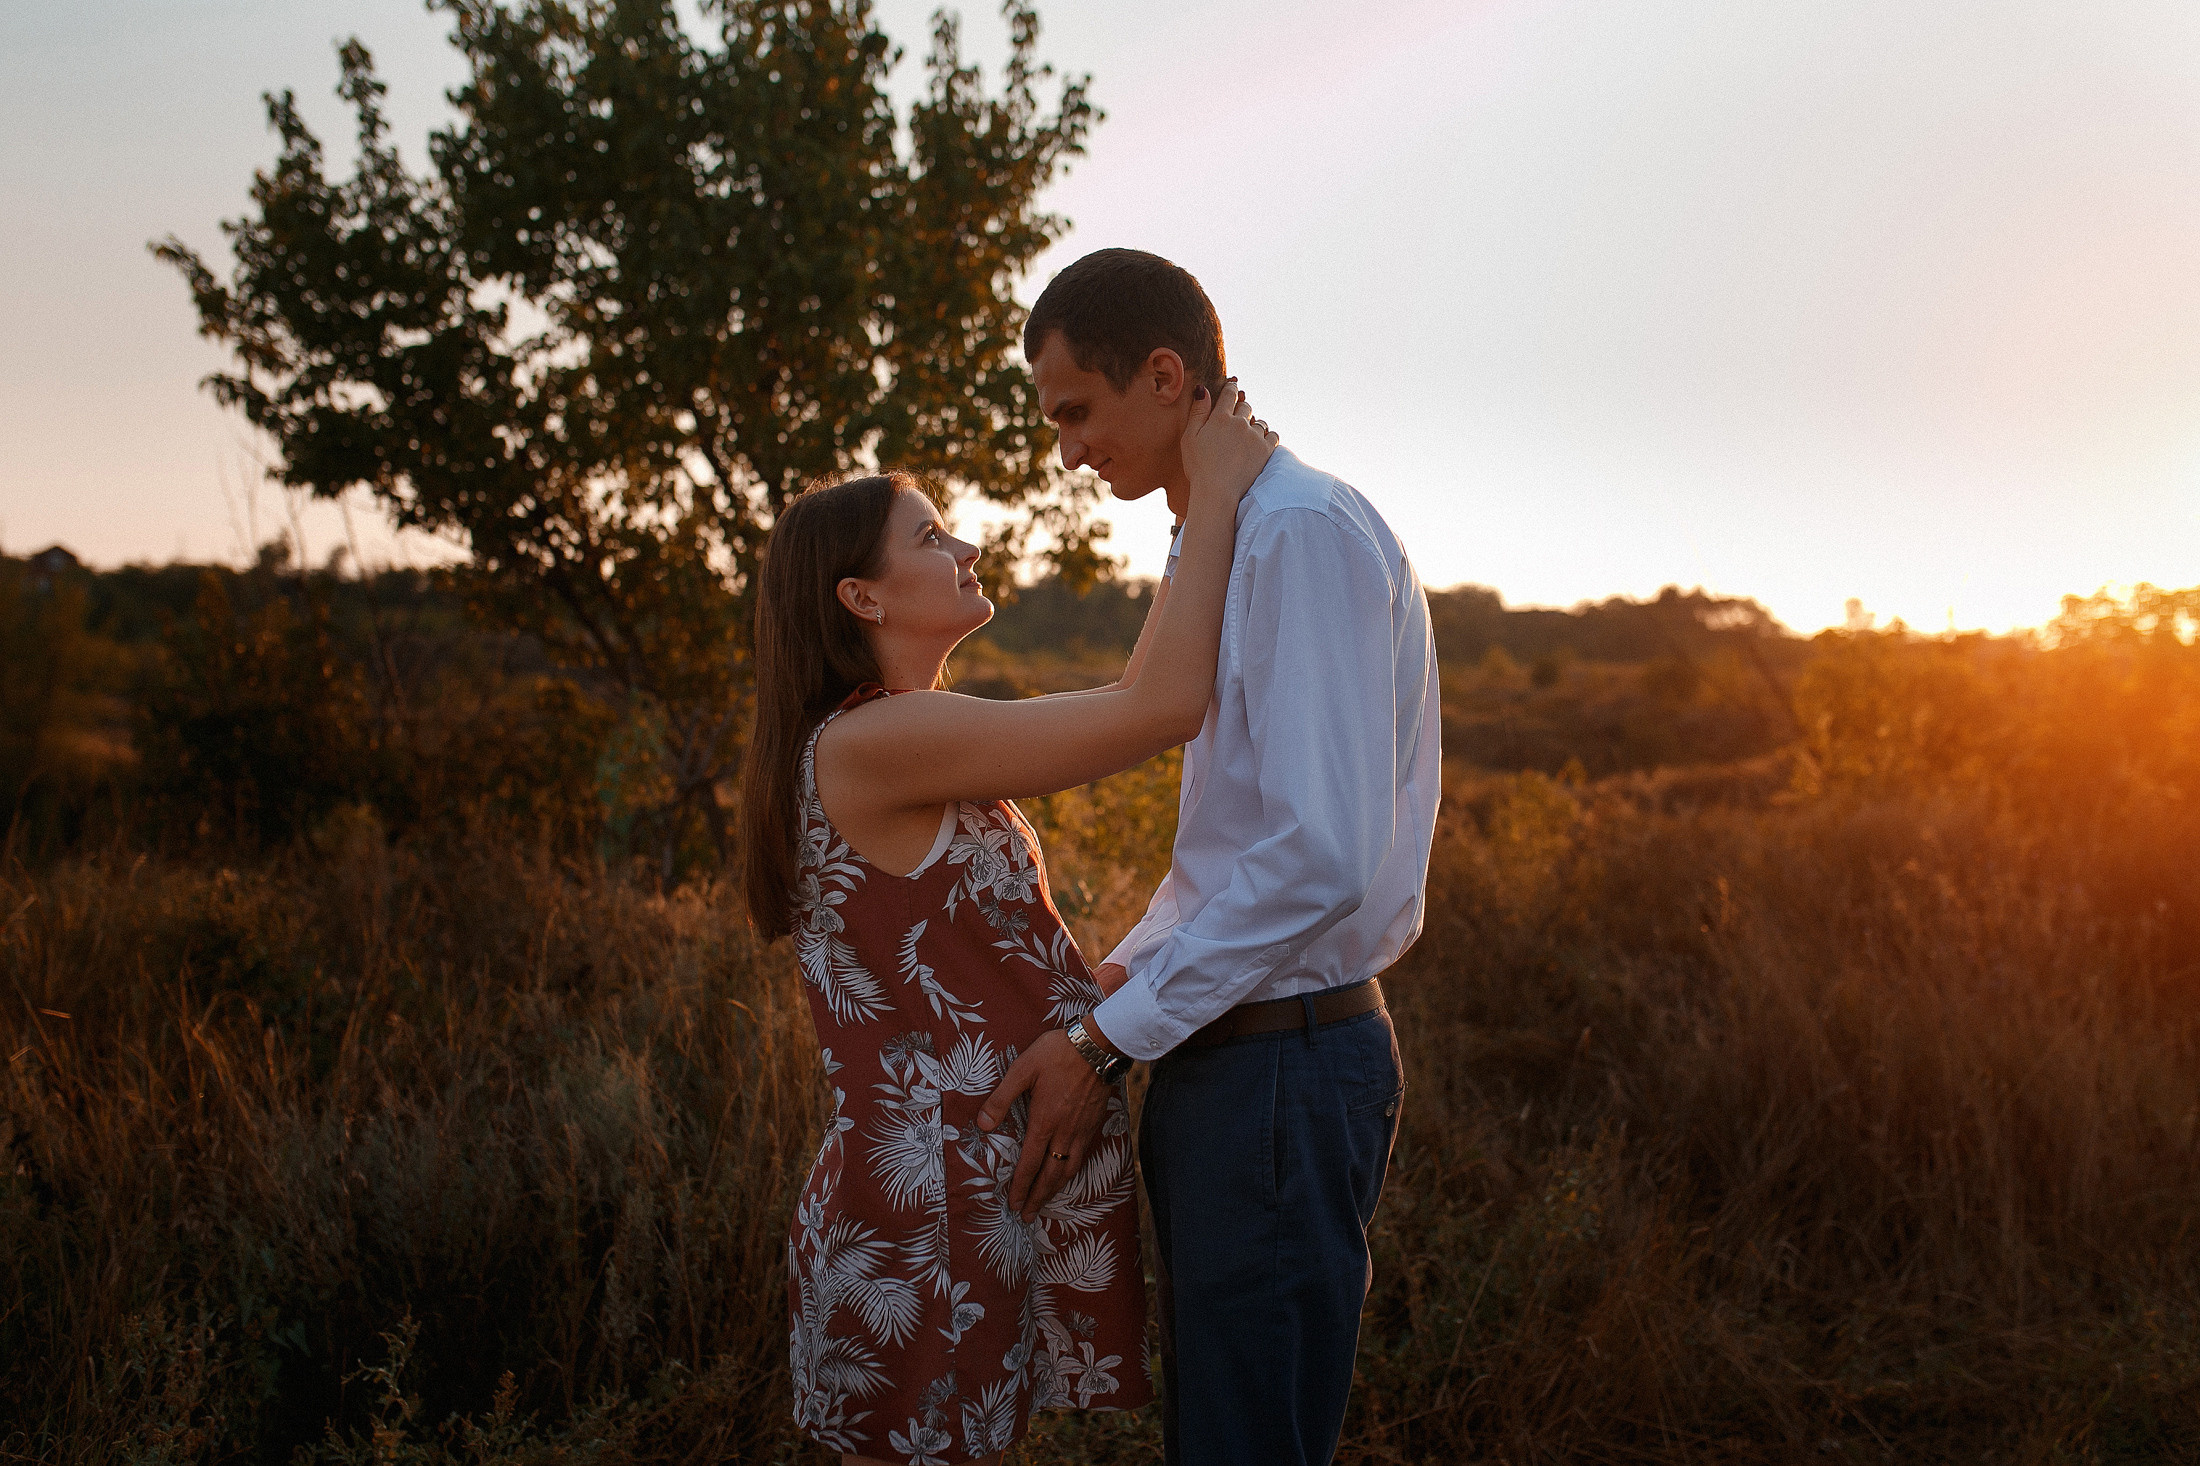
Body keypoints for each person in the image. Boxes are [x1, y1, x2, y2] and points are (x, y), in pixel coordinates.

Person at [740, 383, 1279, 1466]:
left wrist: (1113, 990)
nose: (968, 542)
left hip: (964, 1187)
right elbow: (1156, 707)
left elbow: (988, 957)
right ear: (862, 596)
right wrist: (1205, 502)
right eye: (932, 534)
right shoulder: (877, 741)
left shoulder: (897, 737)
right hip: (928, 1207)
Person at [979, 247, 1443, 1466]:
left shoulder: (1295, 533)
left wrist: (1103, 1037)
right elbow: (1226, 853)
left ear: (1167, 374)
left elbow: (1321, 858)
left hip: (1282, 1068)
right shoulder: (1221, 532)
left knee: (1248, 1443)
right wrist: (1113, 999)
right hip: (1229, 1064)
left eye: (1075, 411)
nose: (1067, 452)